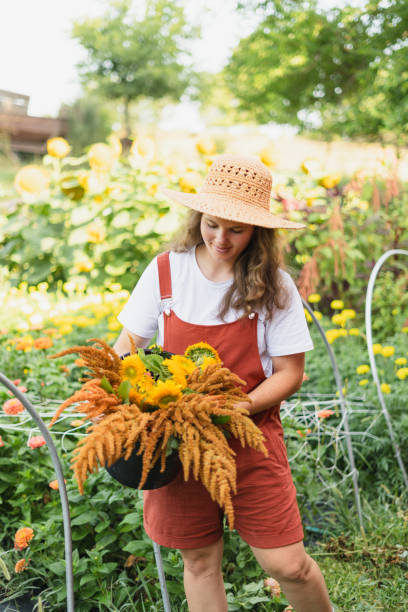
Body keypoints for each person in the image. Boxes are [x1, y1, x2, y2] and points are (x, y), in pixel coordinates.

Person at [113, 154, 334, 612]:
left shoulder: (274, 285)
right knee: (197, 560)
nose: (221, 239)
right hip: (178, 443)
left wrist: (240, 408)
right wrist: (120, 406)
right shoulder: (165, 272)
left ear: (258, 231)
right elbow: (126, 348)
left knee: (287, 564)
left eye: (237, 229)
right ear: (199, 218)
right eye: (213, 225)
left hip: (249, 437)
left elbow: (291, 373)